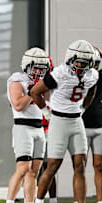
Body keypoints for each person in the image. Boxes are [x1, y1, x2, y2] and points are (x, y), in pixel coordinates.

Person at [31, 40, 98, 203]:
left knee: (80, 166)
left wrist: (82, 109)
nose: (81, 66)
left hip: (76, 122)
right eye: (78, 62)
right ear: (70, 58)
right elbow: (34, 91)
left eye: (85, 63)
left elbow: (91, 93)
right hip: (59, 121)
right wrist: (46, 112)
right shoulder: (60, 73)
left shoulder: (92, 75)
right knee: (52, 166)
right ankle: (38, 201)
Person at [6, 47, 50, 203]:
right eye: (35, 67)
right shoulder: (17, 80)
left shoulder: (44, 82)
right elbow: (18, 104)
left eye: (41, 68)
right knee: (23, 168)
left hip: (39, 128)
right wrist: (34, 92)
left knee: (34, 171)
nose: (38, 71)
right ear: (27, 65)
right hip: (22, 127)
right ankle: (10, 201)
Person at [82, 47, 102, 203]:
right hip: (81, 126)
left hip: (99, 127)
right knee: (79, 167)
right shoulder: (79, 76)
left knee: (99, 166)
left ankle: (100, 200)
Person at [37, 56, 57, 203]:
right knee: (36, 166)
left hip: (50, 126)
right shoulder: (31, 80)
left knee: (49, 166)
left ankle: (52, 199)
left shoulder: (56, 80)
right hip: (36, 126)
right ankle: (37, 198)